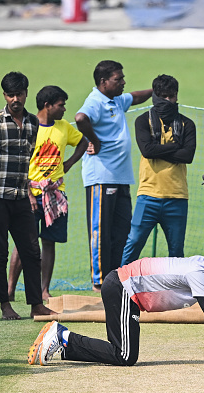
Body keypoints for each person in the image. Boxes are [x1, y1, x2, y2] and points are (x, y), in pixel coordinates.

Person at [28, 250, 204, 369]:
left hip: (127, 292)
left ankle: (62, 345)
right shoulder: (198, 274)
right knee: (124, 356)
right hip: (122, 288)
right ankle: (63, 337)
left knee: (125, 355)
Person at [0, 72, 55, 320]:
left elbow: (28, 157)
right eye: (10, 95)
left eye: (19, 94)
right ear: (4, 96)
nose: (15, 99)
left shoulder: (33, 123)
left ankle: (36, 304)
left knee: (32, 252)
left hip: (22, 196)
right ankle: (4, 305)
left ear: (26, 93)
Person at [75, 60, 152, 292]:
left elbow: (136, 96)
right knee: (101, 232)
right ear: (103, 82)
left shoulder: (116, 100)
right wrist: (94, 140)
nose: (123, 82)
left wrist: (156, 89)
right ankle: (99, 282)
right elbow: (80, 119)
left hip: (121, 177)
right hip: (101, 177)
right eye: (118, 79)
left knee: (121, 232)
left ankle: (116, 278)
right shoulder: (95, 101)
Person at [7, 86, 89, 302]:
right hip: (30, 194)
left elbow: (83, 142)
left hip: (56, 195)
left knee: (49, 242)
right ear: (47, 105)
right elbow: (19, 163)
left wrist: (69, 163)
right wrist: (30, 195)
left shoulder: (64, 128)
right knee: (23, 242)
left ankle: (44, 290)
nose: (64, 109)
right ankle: (10, 290)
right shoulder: (28, 126)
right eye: (60, 105)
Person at [120, 74, 196, 265]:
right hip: (148, 195)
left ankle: (175, 292)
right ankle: (118, 283)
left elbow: (188, 156)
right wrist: (176, 146)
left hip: (177, 197)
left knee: (176, 250)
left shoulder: (188, 124)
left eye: (171, 96)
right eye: (164, 96)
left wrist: (158, 150)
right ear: (155, 96)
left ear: (177, 96)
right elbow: (147, 151)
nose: (168, 101)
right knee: (134, 241)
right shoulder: (142, 121)